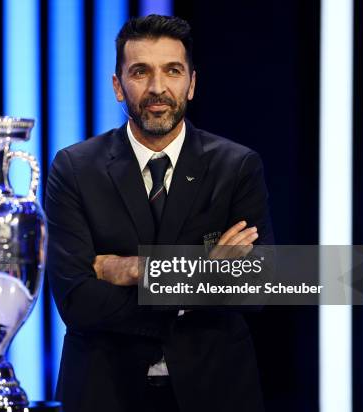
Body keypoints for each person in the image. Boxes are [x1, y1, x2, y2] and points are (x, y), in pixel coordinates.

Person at [45, 14, 274, 412]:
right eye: (140, 72)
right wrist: (204, 273)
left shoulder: (237, 166)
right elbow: (77, 302)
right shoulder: (74, 168)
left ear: (192, 83)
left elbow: (257, 289)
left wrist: (132, 270)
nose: (157, 88)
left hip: (215, 391)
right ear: (118, 86)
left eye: (172, 70)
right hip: (105, 391)